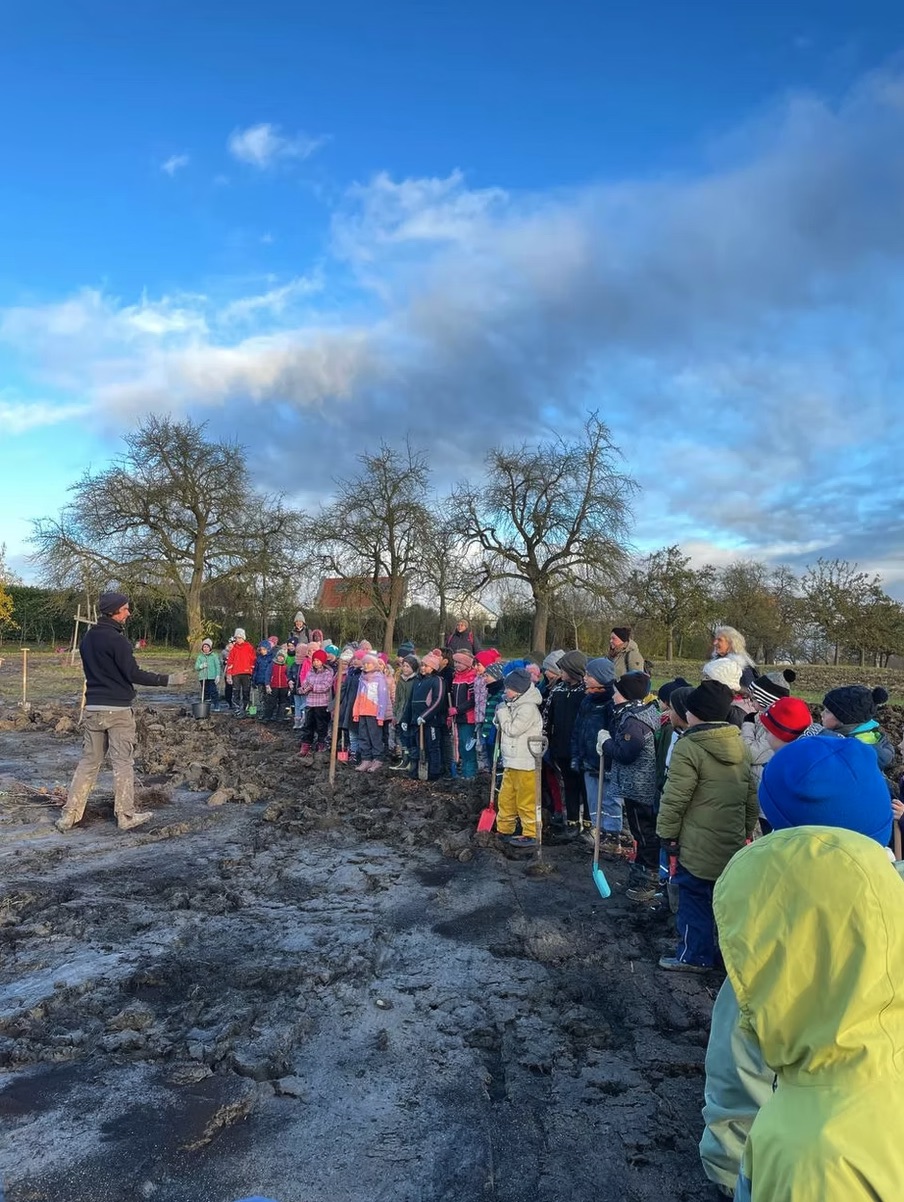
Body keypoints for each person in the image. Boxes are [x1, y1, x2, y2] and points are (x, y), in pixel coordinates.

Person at [704, 742, 902, 1200]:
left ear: (776, 831)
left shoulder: (768, 955)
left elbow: (738, 1077)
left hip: (813, 1161)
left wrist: (729, 1169)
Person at [56, 592, 187, 833]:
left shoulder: (87, 639)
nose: (129, 613)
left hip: (93, 708)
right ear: (114, 611)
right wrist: (168, 680)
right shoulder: (118, 641)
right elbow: (133, 674)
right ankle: (126, 815)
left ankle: (69, 815)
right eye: (125, 609)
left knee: (88, 762)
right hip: (117, 710)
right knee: (123, 763)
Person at [656, 680, 759, 972]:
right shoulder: (740, 744)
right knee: (726, 900)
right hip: (732, 839)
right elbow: (750, 796)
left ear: (694, 714)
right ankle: (732, 958)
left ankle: (694, 955)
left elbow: (675, 797)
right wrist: (745, 831)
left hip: (696, 842)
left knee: (693, 896)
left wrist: (667, 834)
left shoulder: (689, 747)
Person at [597, 671, 661, 900]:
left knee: (643, 832)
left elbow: (626, 754)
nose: (612, 696)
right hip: (638, 784)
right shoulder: (638, 713)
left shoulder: (634, 722)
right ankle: (641, 870)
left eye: (615, 692)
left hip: (638, 786)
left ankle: (648, 876)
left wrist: (606, 743)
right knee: (640, 830)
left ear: (624, 695)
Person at [494, 668, 544, 850]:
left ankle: (531, 832)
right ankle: (505, 828)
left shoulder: (528, 708)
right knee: (506, 797)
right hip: (511, 761)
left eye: (508, 688)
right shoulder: (513, 704)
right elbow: (501, 725)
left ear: (518, 690)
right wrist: (501, 713)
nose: (505, 691)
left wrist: (502, 713)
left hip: (525, 763)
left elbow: (513, 729)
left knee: (526, 800)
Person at [571, 657, 618, 841]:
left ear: (601, 677)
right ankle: (598, 832)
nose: (585, 678)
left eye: (589, 675)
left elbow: (614, 734)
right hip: (588, 761)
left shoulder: (611, 704)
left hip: (606, 763)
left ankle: (612, 834)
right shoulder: (587, 701)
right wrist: (576, 756)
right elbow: (577, 730)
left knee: (609, 800)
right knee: (593, 801)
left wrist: (609, 759)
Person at [546, 651, 588, 828]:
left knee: (585, 787)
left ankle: (588, 823)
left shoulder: (585, 693)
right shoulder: (557, 691)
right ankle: (572, 822)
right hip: (561, 747)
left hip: (580, 749)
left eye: (563, 669)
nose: (560, 672)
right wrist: (547, 738)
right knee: (569, 785)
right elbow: (548, 717)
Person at [811, 684, 894, 768]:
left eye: (827, 711)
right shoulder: (868, 733)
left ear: (844, 719)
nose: (821, 714)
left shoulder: (853, 748)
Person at [404, 651, 446, 780]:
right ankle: (417, 772)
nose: (423, 668)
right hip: (416, 721)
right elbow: (410, 701)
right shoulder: (417, 681)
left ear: (433, 668)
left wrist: (425, 716)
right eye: (422, 665)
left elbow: (437, 701)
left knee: (433, 747)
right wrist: (406, 718)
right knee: (418, 747)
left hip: (431, 721)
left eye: (426, 666)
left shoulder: (437, 681)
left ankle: (434, 773)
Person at [353, 652, 392, 772]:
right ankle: (366, 759)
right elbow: (359, 696)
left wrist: (380, 715)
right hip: (362, 711)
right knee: (363, 736)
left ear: (374, 664)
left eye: (368, 663)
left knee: (375, 737)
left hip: (374, 712)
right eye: (364, 663)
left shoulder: (379, 679)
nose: (366, 666)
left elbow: (383, 698)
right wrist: (356, 712)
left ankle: (377, 759)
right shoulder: (362, 678)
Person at [297, 649, 335, 764]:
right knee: (308, 725)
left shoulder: (327, 673)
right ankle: (306, 744)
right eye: (314, 660)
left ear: (323, 661)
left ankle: (321, 744)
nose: (315, 662)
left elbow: (326, 686)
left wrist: (312, 687)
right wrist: (303, 688)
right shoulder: (310, 672)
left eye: (318, 660)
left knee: (321, 725)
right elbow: (306, 682)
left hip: (322, 703)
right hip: (310, 703)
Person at [450, 650, 479, 779]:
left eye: (459, 663)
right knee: (461, 746)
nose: (457, 665)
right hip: (458, 717)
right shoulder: (456, 677)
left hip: (468, 718)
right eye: (455, 662)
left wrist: (458, 709)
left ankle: (470, 774)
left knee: (468, 747)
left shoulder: (471, 678)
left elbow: (473, 700)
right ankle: (464, 772)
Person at [391, 655, 419, 772]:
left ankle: (412, 761)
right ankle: (404, 760)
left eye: (408, 666)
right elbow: (398, 699)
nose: (405, 669)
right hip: (400, 713)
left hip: (410, 713)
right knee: (401, 737)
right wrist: (395, 714)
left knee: (410, 737)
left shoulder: (416, 680)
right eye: (404, 666)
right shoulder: (401, 680)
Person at [225, 628, 255, 715]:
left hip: (246, 673)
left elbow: (253, 660)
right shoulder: (234, 649)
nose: (237, 639)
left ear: (243, 638)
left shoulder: (249, 648)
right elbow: (230, 662)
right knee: (236, 691)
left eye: (239, 638)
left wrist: (252, 671)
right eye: (236, 638)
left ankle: (246, 707)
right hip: (236, 673)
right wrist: (229, 674)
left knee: (246, 691)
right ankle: (237, 708)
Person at [265, 648, 291, 723]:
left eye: (282, 657)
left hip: (284, 687)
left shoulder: (286, 666)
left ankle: (280, 717)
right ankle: (268, 716)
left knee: (282, 702)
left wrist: (289, 687)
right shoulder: (272, 665)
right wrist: (267, 685)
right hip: (274, 686)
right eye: (279, 656)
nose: (280, 658)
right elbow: (268, 674)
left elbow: (289, 676)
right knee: (271, 702)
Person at [194, 638, 221, 710]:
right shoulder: (200, 657)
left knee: (213, 691)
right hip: (203, 677)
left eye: (207, 647)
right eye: (204, 647)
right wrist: (201, 666)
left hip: (212, 677)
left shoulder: (214, 656)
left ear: (210, 648)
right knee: (205, 692)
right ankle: (206, 707)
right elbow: (196, 667)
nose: (205, 648)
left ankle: (216, 705)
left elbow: (217, 666)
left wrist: (218, 675)